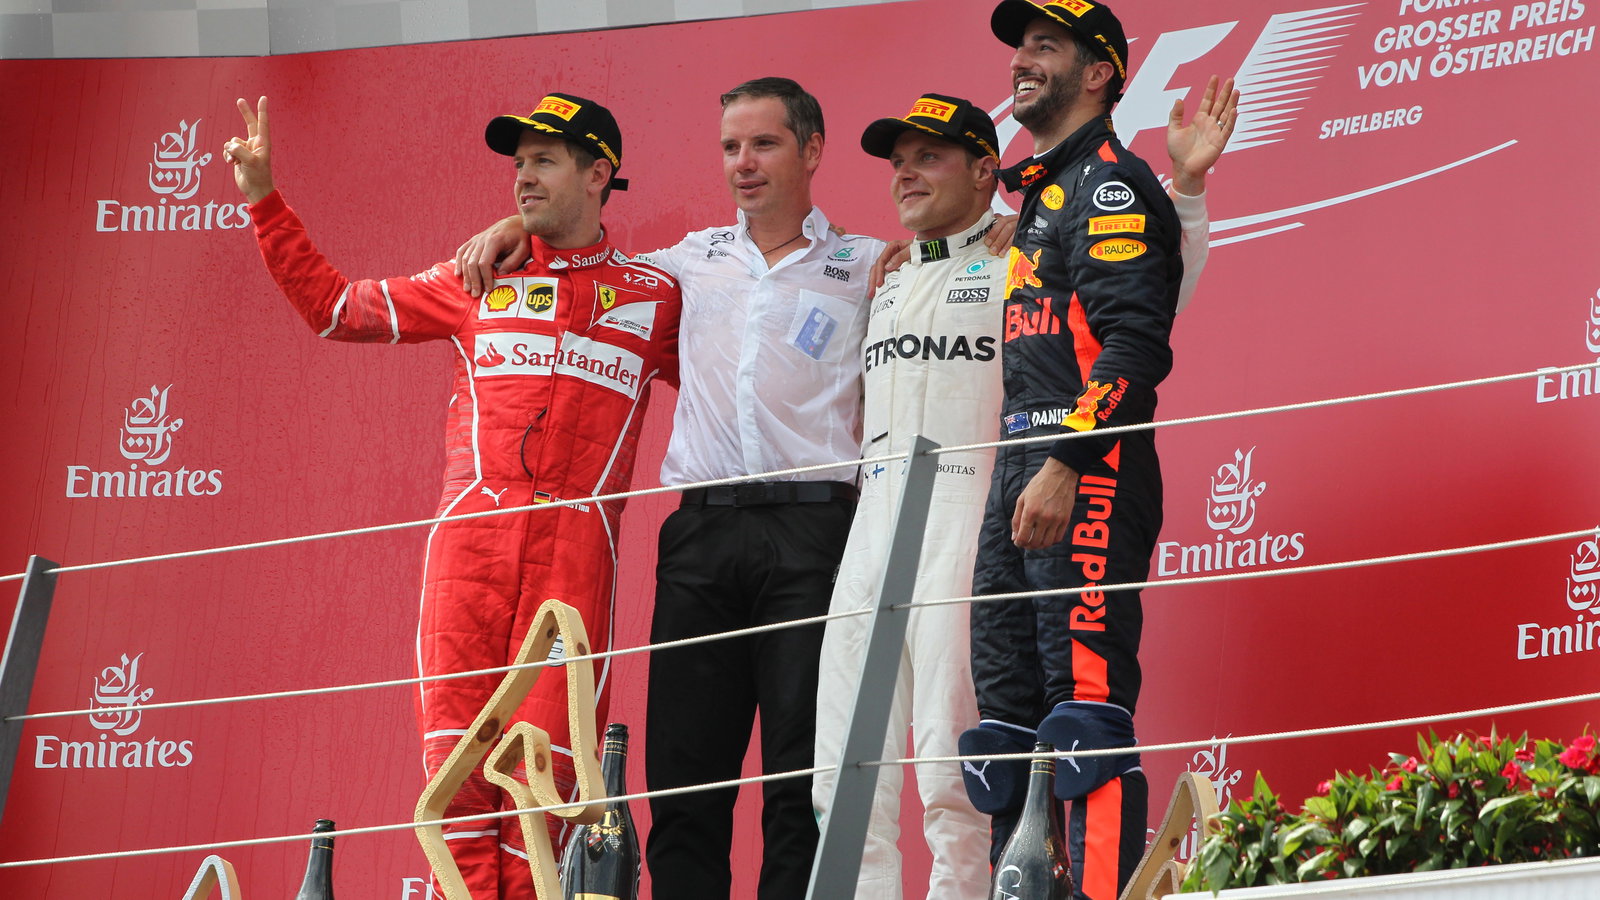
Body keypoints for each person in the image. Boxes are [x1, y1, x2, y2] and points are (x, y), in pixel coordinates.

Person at [223, 92, 681, 900]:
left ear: (599, 172)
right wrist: (265, 198)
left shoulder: (657, 297)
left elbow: (751, 352)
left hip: (575, 559)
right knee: (457, 772)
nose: (522, 180)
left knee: (550, 778)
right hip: (469, 549)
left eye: (543, 161)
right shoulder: (476, 277)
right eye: (518, 165)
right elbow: (337, 309)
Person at [453, 77, 888, 900]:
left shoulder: (865, 263)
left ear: (813, 150)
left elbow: (955, 264)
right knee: (685, 779)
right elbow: (587, 259)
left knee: (803, 777)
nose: (743, 164)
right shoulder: (684, 264)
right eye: (730, 147)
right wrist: (522, 220)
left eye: (763, 144)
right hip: (702, 535)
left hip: (817, 533)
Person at [813, 73, 1232, 900]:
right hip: (873, 526)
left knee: (952, 764)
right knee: (842, 773)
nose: (905, 174)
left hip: (972, 515)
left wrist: (1185, 193)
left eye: (927, 158)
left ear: (982, 171)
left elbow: (1152, 294)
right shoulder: (879, 273)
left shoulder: (1019, 252)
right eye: (897, 161)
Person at [956, 3, 1240, 898]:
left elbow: (1133, 349)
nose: (1022, 62)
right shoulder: (1042, 190)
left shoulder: (1111, 185)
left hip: (1083, 469)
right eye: (1018, 49)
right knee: (1005, 727)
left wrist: (1068, 463)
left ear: (1099, 73)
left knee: (1083, 719)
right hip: (1020, 465)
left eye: (1045, 47)